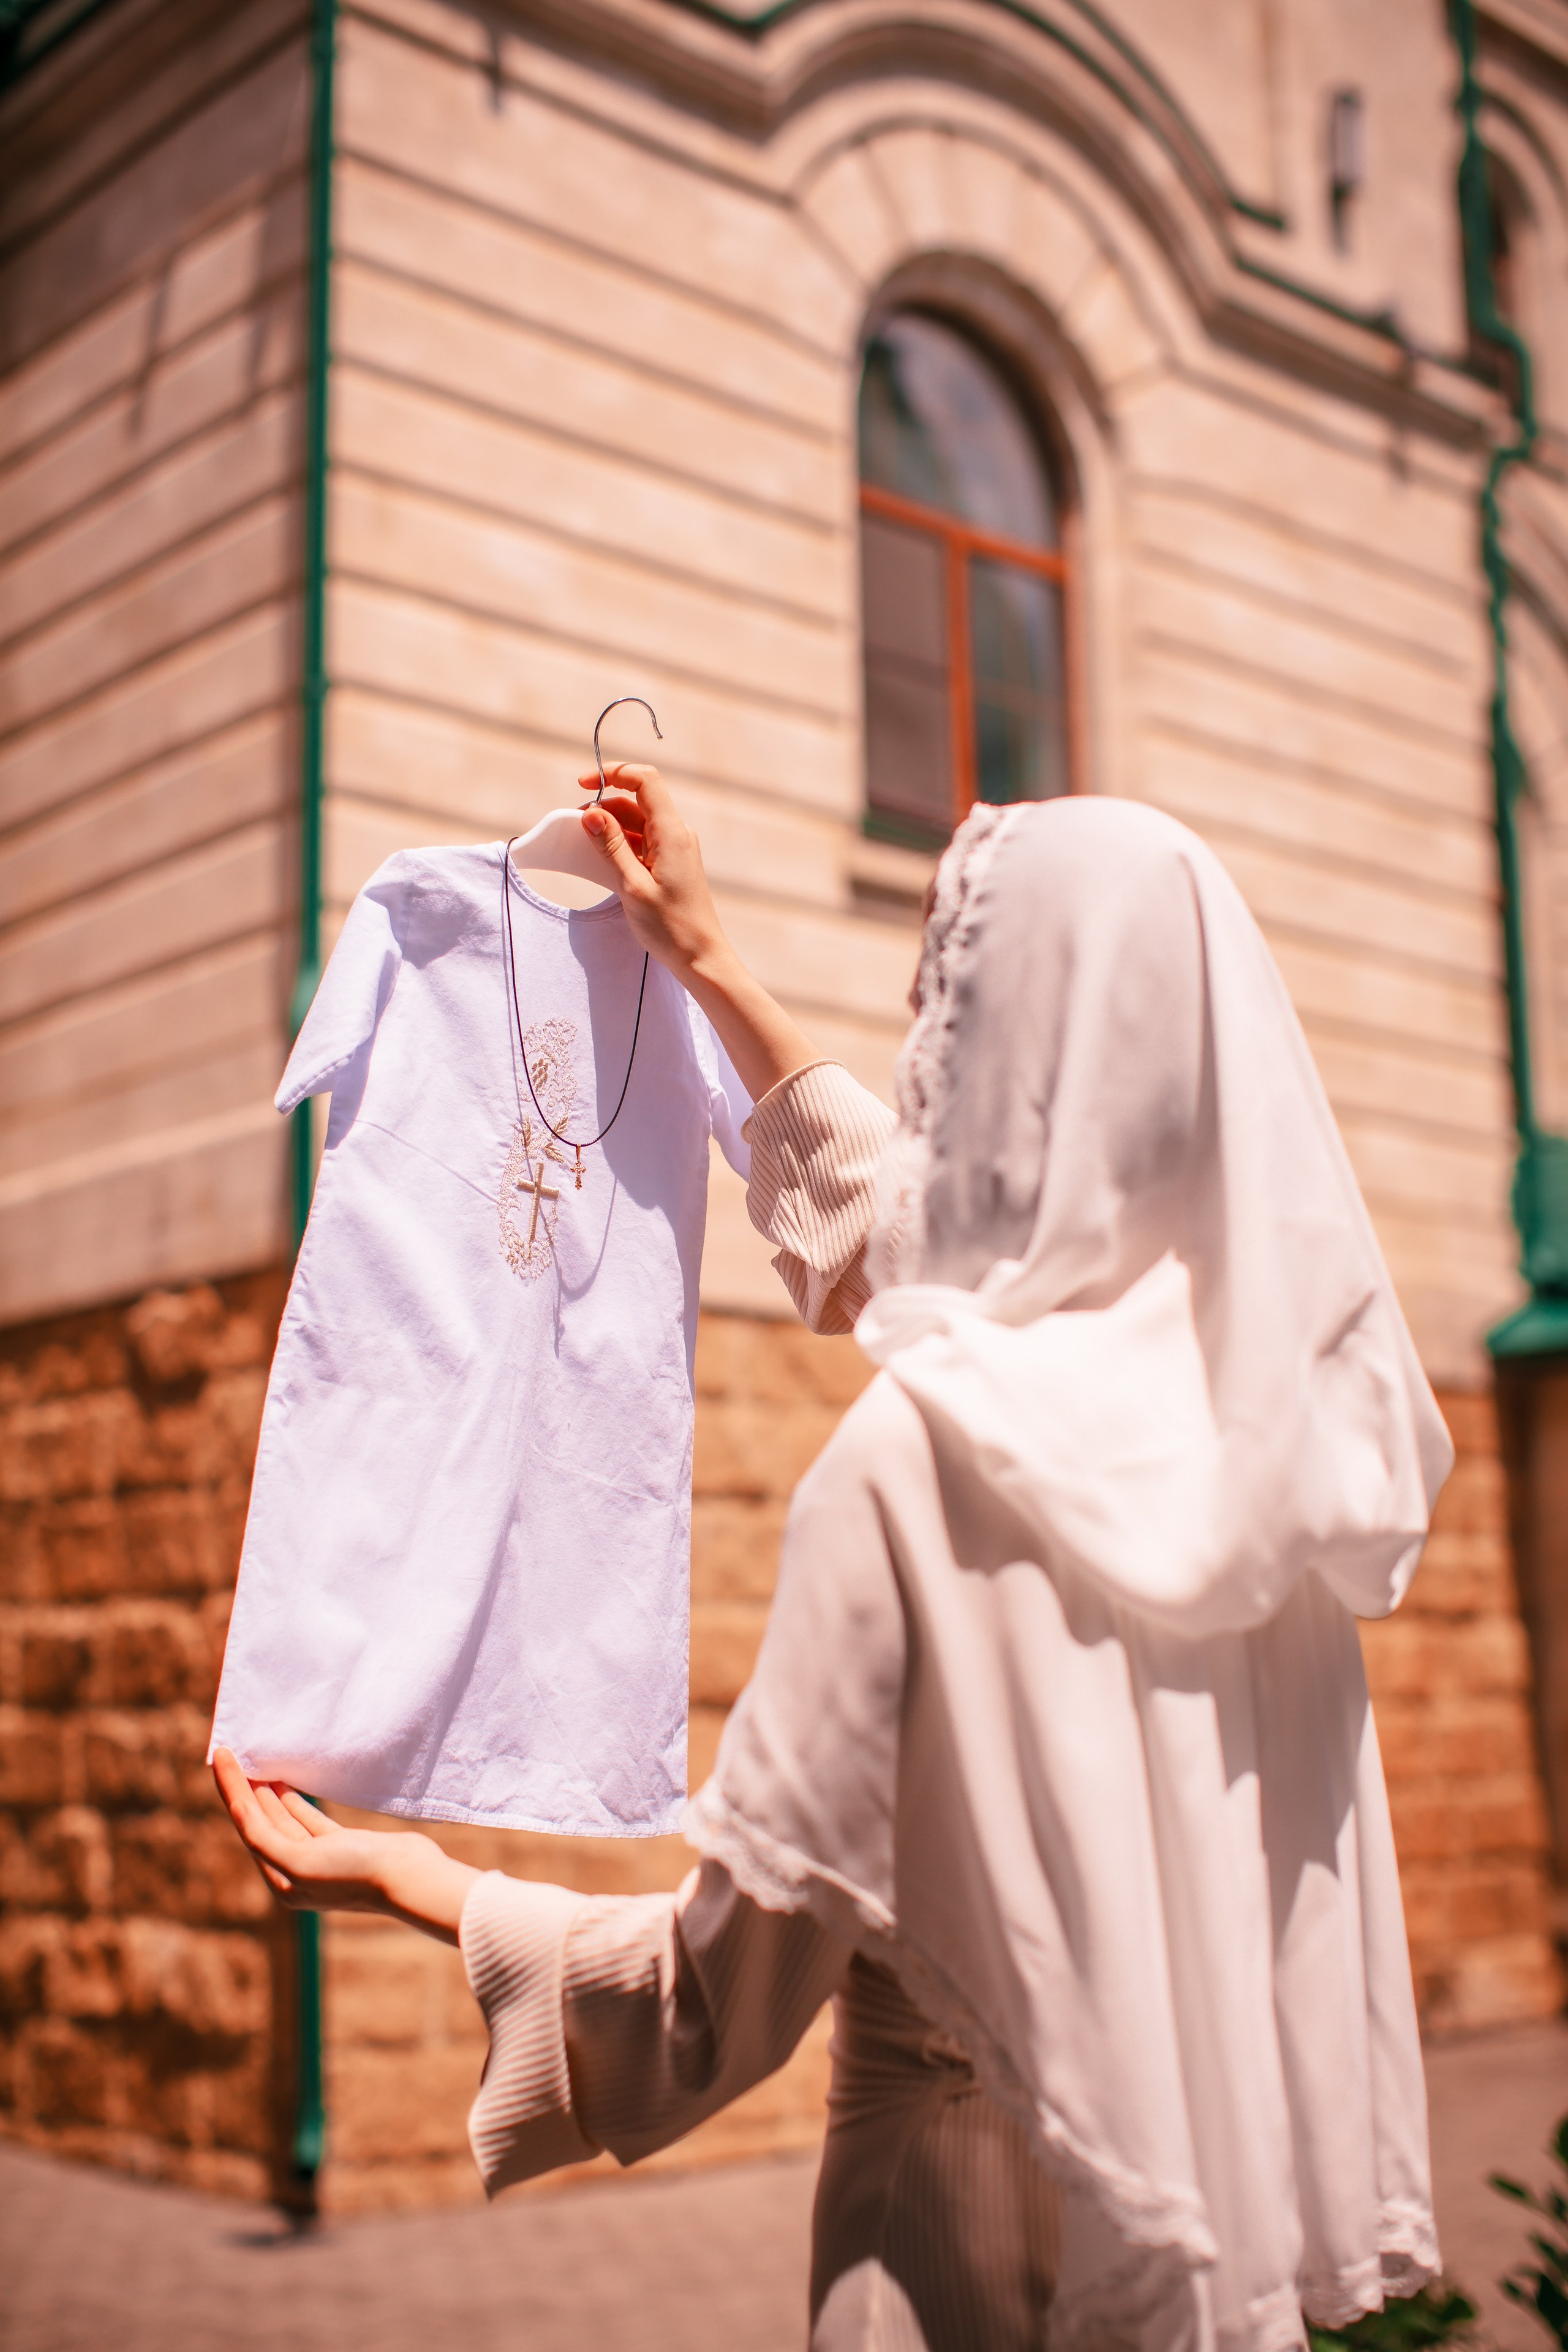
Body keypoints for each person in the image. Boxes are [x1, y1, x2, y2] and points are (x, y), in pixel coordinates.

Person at [215, 771, 1453, 2352]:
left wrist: (418, 1879)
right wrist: (713, 963)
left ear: (1007, 1063)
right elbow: (942, 1243)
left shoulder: (909, 1478)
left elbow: (707, 2014)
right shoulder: (1278, 1455)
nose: (929, 1051)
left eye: (950, 1012)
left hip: (947, 2284)